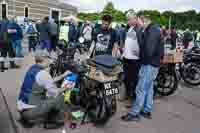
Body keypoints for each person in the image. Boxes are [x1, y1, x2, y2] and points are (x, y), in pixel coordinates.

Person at [121, 15, 164, 122]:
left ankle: (134, 113)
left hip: (149, 64)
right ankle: (146, 110)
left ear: (143, 21)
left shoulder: (152, 31)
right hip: (152, 64)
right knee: (149, 88)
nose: (138, 25)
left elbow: (148, 50)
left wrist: (140, 56)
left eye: (139, 22)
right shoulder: (153, 29)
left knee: (140, 89)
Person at [17, 50, 71, 129]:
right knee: (59, 97)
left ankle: (26, 118)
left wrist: (63, 75)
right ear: (45, 59)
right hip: (29, 112)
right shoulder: (43, 74)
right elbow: (55, 92)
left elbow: (47, 81)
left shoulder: (33, 68)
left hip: (22, 107)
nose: (51, 61)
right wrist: (66, 87)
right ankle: (52, 122)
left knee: (48, 95)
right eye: (49, 59)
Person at [122, 13, 142, 106]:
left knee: (134, 81)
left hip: (134, 60)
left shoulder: (139, 29)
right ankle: (127, 95)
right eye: (127, 20)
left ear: (135, 19)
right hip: (126, 58)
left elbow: (142, 44)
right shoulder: (129, 29)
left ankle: (133, 100)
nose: (128, 21)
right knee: (126, 79)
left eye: (130, 19)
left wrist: (139, 54)